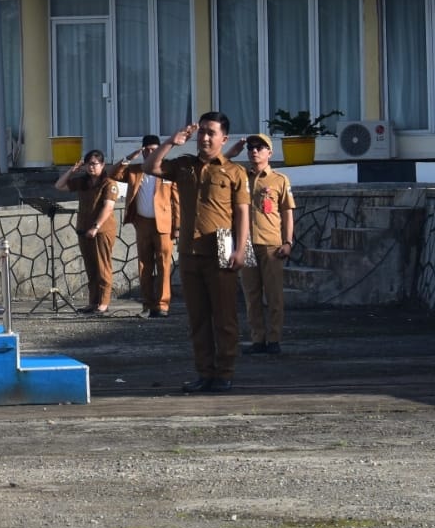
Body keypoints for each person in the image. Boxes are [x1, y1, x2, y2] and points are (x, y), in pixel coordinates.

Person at [144, 113, 249, 393]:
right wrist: (171, 141)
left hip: (222, 250)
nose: (204, 137)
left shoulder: (234, 172)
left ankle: (224, 373)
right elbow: (150, 166)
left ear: (224, 138)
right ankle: (204, 372)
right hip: (190, 252)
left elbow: (242, 213)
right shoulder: (184, 165)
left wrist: (241, 250)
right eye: (201, 131)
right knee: (198, 319)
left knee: (225, 317)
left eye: (211, 132)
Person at [225, 132, 297, 355]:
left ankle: (274, 339)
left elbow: (287, 213)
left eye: (259, 147)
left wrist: (288, 241)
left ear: (270, 153)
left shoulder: (279, 180)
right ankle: (258, 339)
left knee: (274, 295)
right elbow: (217, 169)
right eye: (251, 148)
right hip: (246, 245)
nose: (254, 151)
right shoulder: (240, 176)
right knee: (251, 296)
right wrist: (230, 153)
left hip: (271, 245)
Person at [107, 135, 179, 317]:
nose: (150, 152)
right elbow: (112, 174)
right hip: (142, 222)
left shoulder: (166, 170)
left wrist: (177, 226)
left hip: (164, 224)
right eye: (147, 149)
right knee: (144, 265)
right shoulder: (135, 170)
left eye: (154, 149)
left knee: (164, 265)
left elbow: (176, 200)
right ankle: (147, 304)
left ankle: (162, 305)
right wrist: (128, 158)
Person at [56, 149, 119, 314]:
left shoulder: (109, 183)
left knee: (102, 267)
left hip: (101, 230)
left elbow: (108, 207)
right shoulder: (83, 182)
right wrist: (72, 171)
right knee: (91, 268)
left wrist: (96, 227)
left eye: (94, 164)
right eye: (88, 164)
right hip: (84, 229)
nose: (91, 167)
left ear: (102, 165)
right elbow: (59, 185)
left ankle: (103, 303)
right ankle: (93, 301)